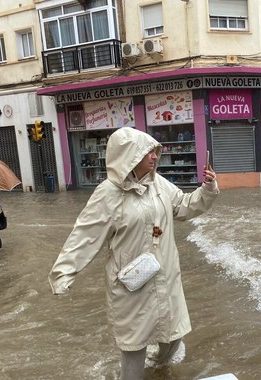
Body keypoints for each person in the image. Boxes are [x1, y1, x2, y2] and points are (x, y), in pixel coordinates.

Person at [48, 127, 219, 380]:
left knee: (173, 335)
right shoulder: (108, 193)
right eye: (148, 151)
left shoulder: (158, 184)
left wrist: (206, 189)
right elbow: (85, 235)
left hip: (166, 276)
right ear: (129, 155)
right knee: (134, 346)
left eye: (154, 151)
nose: (154, 156)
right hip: (132, 283)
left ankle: (157, 369)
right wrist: (64, 272)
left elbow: (183, 206)